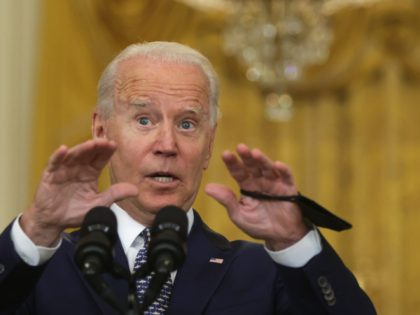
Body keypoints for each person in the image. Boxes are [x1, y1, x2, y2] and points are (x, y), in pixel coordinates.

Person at [0, 41, 376, 314]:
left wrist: (293, 240)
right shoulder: (42, 266)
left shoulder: (262, 271)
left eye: (187, 123)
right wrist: (37, 228)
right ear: (101, 131)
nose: (167, 144)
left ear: (209, 143)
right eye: (144, 119)